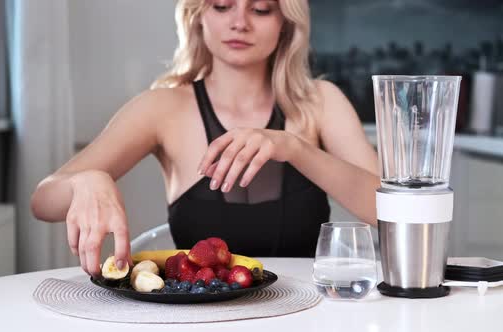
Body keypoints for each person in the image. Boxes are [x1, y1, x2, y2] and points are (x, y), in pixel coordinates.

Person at [31, 0, 379, 277]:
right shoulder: (162, 108)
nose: (239, 22)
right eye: (222, 6)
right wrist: (87, 180)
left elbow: (391, 211)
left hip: (309, 315)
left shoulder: (321, 101)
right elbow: (44, 201)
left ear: (285, 21)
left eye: (260, 9)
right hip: (200, 320)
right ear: (198, 15)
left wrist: (296, 149)